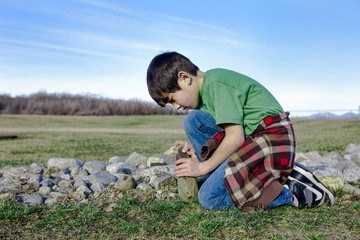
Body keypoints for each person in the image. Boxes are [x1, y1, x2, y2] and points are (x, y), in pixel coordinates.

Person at [146, 51, 334, 210]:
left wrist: (203, 167)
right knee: (193, 121)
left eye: (172, 99)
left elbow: (235, 138)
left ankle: (291, 192)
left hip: (273, 137)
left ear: (184, 78)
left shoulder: (217, 84)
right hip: (253, 138)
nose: (176, 106)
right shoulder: (206, 95)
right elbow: (226, 134)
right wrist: (197, 153)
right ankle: (239, 177)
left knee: (209, 198)